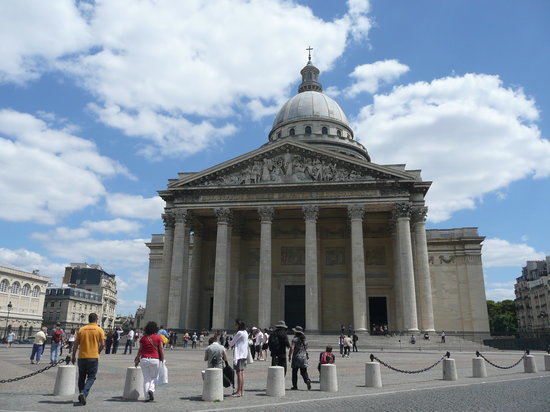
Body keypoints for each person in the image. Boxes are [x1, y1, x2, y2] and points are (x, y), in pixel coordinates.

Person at [71, 313, 105, 406]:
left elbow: (76, 344)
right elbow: (103, 344)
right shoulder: (99, 329)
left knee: (81, 377)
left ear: (88, 319)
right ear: (97, 319)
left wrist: (73, 355)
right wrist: (98, 351)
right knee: (91, 376)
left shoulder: (81, 329)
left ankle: (82, 393)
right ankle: (84, 393)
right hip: (93, 357)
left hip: (82, 356)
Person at [135, 321, 164, 402]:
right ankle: (151, 389)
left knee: (146, 379)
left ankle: (147, 397)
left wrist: (137, 358)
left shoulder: (143, 338)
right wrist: (162, 358)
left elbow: (140, 350)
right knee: (155, 377)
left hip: (144, 359)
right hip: (155, 359)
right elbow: (161, 349)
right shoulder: (158, 337)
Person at [288, 326, 311, 390]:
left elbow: (292, 348)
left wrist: (289, 355)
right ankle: (307, 380)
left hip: (296, 357)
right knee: (303, 371)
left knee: (294, 372)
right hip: (303, 357)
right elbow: (306, 348)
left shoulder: (294, 339)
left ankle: (295, 386)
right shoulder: (304, 340)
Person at [230, 319, 248, 397]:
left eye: (236, 324)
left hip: (239, 355)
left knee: (238, 373)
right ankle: (241, 391)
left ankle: (238, 392)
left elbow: (232, 343)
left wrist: (229, 341)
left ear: (238, 325)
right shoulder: (245, 332)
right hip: (244, 354)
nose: (235, 326)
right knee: (242, 373)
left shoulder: (239, 333)